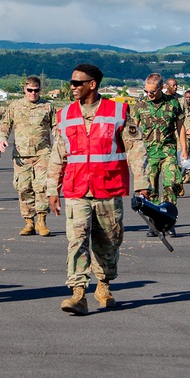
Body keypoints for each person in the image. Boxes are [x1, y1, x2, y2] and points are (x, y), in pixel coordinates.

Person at [47, 63, 150, 315]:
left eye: (76, 83)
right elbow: (58, 154)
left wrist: (143, 184)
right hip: (76, 188)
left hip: (109, 187)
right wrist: (52, 188)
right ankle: (78, 293)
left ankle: (103, 285)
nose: (71, 87)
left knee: (108, 241)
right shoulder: (65, 115)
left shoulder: (118, 112)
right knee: (77, 240)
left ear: (92, 84)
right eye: (71, 83)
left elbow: (136, 150)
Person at [0, 76, 58, 236]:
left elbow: (56, 127)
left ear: (40, 90)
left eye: (36, 90)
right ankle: (29, 221)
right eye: (30, 90)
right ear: (25, 90)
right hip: (21, 156)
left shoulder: (47, 106)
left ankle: (42, 221)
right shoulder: (15, 106)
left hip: (43, 154)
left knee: (42, 187)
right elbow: (4, 125)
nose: (33, 93)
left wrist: (60, 145)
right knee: (24, 188)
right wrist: (1, 138)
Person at [132, 73, 187, 234]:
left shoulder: (173, 104)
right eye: (146, 91)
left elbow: (180, 127)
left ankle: (168, 221)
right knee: (151, 189)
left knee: (172, 184)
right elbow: (133, 130)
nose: (149, 94)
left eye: (153, 91)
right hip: (148, 153)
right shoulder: (140, 105)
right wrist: (132, 152)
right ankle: (155, 222)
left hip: (168, 150)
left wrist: (184, 149)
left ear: (161, 88)